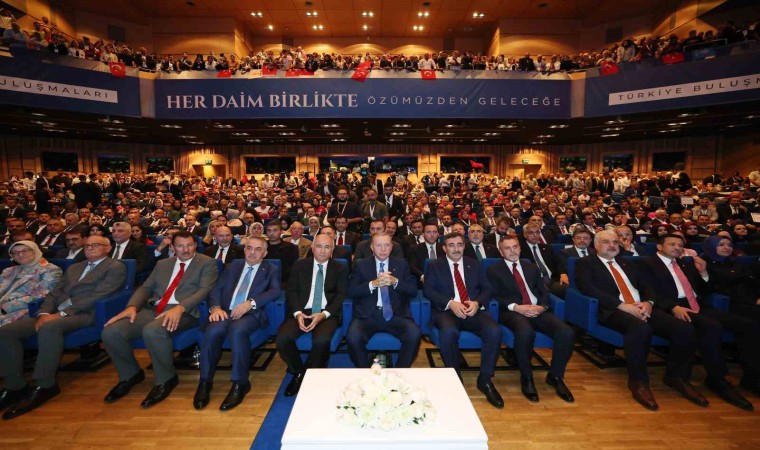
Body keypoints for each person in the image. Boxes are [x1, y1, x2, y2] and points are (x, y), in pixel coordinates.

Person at [575, 230, 702, 410]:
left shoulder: (627, 262)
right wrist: (621, 305)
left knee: (684, 329)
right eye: (606, 242)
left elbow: (647, 285)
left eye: (615, 242)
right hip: (613, 310)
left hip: (642, 307)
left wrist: (649, 302)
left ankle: (677, 376)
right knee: (641, 328)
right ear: (595, 245)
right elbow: (588, 289)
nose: (612, 245)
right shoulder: (585, 263)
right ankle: (638, 382)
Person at [0, 236, 125, 419]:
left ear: (108, 248)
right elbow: (54, 293)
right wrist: (44, 312)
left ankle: (45, 384)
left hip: (87, 313)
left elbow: (98, 295)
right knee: (6, 332)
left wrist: (62, 314)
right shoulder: (75, 267)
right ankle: (15, 385)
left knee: (50, 327)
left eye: (96, 245)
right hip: (54, 312)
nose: (90, 248)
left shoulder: (115, 267)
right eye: (87, 245)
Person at [101, 231, 219, 408]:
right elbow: (146, 288)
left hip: (186, 311)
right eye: (180, 246)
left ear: (196, 245)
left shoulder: (207, 263)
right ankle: (130, 374)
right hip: (154, 309)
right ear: (172, 247)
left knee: (153, 330)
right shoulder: (163, 264)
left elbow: (205, 290)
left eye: (189, 245)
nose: (185, 250)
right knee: (111, 332)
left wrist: (180, 308)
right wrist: (132, 306)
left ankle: (166, 378)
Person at [643, 234, 756, 410]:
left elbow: (704, 291)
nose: (677, 248)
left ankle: (752, 377)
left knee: (748, 325)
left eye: (680, 245)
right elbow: (647, 290)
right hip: (670, 306)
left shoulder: (686, 263)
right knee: (711, 327)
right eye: (672, 244)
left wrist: (703, 273)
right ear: (659, 247)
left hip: (696, 305)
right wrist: (672, 306)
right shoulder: (647, 263)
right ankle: (717, 378)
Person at [194, 236, 281, 411]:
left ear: (265, 253)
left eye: (258, 249)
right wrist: (215, 308)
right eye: (249, 248)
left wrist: (251, 303)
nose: (252, 252)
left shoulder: (271, 269)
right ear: (244, 249)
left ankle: (240, 382)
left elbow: (275, 291)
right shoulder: (233, 266)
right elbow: (216, 289)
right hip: (225, 311)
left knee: (237, 330)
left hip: (251, 314)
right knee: (212, 331)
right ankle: (205, 381)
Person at [488, 234, 575, 403]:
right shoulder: (494, 270)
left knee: (567, 332)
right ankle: (527, 377)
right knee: (525, 332)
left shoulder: (531, 267)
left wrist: (542, 307)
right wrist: (516, 307)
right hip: (513, 311)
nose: (512, 251)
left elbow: (544, 291)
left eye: (515, 247)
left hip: (537, 310)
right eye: (507, 248)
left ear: (520, 248)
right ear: (501, 252)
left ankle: (555, 376)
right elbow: (494, 295)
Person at [423, 233, 504, 408]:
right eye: (451, 245)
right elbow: (428, 290)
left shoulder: (474, 264)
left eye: (459, 244)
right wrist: (450, 303)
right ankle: (455, 380)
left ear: (464, 246)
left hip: (472, 309)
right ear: (444, 248)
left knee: (495, 330)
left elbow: (487, 289)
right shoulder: (434, 265)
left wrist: (477, 302)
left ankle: (485, 380)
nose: (456, 249)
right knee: (449, 332)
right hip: (447, 310)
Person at [275, 234, 348, 397]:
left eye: (327, 247)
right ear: (312, 248)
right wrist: (297, 313)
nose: (322, 251)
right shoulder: (300, 265)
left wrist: (324, 314)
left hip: (326, 312)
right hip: (302, 310)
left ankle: (314, 374)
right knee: (282, 338)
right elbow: (291, 291)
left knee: (321, 340)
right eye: (319, 246)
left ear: (332, 250)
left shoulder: (340, 268)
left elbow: (341, 295)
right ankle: (298, 371)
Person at [346, 233, 421, 368]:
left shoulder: (401, 264)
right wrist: (372, 284)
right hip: (367, 315)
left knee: (414, 335)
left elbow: (412, 290)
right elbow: (351, 291)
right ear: (372, 247)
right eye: (378, 245)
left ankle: (400, 372)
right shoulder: (361, 265)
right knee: (353, 338)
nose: (383, 249)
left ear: (391, 247)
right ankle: (366, 372)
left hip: (395, 314)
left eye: (387, 245)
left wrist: (396, 282)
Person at [0, 241, 62, 327]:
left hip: (23, 310)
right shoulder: (9, 270)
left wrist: (5, 307)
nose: (20, 254)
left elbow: (43, 294)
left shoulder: (51, 270)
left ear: (35, 251)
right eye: (15, 252)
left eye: (25, 251)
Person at [702, 235, 760, 325]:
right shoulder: (704, 265)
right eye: (721, 245)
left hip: (749, 297)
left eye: (729, 245)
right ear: (711, 246)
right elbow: (717, 289)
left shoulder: (734, 262)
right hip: (730, 302)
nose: (727, 247)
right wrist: (753, 300)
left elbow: (751, 280)